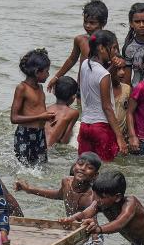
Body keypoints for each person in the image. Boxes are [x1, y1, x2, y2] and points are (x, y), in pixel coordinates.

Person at [78, 30, 128, 161]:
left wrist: (111, 66)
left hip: (85, 125)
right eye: (113, 48)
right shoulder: (104, 75)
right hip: (101, 128)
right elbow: (107, 107)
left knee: (84, 166)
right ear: (101, 48)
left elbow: (98, 78)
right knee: (106, 168)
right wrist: (120, 137)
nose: (116, 52)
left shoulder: (85, 64)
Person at [47, 0, 109, 93]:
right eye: (85, 22)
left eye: (92, 23)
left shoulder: (108, 41)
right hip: (82, 87)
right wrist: (56, 77)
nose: (87, 26)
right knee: (80, 107)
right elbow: (72, 60)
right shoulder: (80, 40)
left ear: (103, 23)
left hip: (100, 87)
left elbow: (113, 63)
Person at [14, 152, 101, 216]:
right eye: (80, 164)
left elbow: (92, 222)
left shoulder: (91, 197)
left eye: (89, 167)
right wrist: (29, 189)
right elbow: (58, 195)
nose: (82, 168)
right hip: (70, 228)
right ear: (74, 167)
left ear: (95, 175)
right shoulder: (66, 182)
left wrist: (95, 239)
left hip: (85, 232)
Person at [10, 48, 56, 166]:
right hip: (24, 135)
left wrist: (47, 118)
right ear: (37, 72)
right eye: (46, 71)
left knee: (41, 168)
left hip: (40, 134)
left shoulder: (40, 88)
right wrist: (40, 116)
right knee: (24, 168)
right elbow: (14, 118)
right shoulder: (22, 88)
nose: (48, 74)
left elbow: (39, 112)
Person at [45, 76, 80, 147]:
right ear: (73, 97)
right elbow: (65, 140)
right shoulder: (73, 113)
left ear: (54, 92)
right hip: (50, 149)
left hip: (38, 145)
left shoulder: (47, 109)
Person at [112, 64, 131, 141]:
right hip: (107, 133)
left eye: (124, 68)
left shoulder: (127, 89)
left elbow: (130, 113)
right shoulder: (104, 89)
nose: (122, 72)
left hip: (123, 136)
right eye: (118, 69)